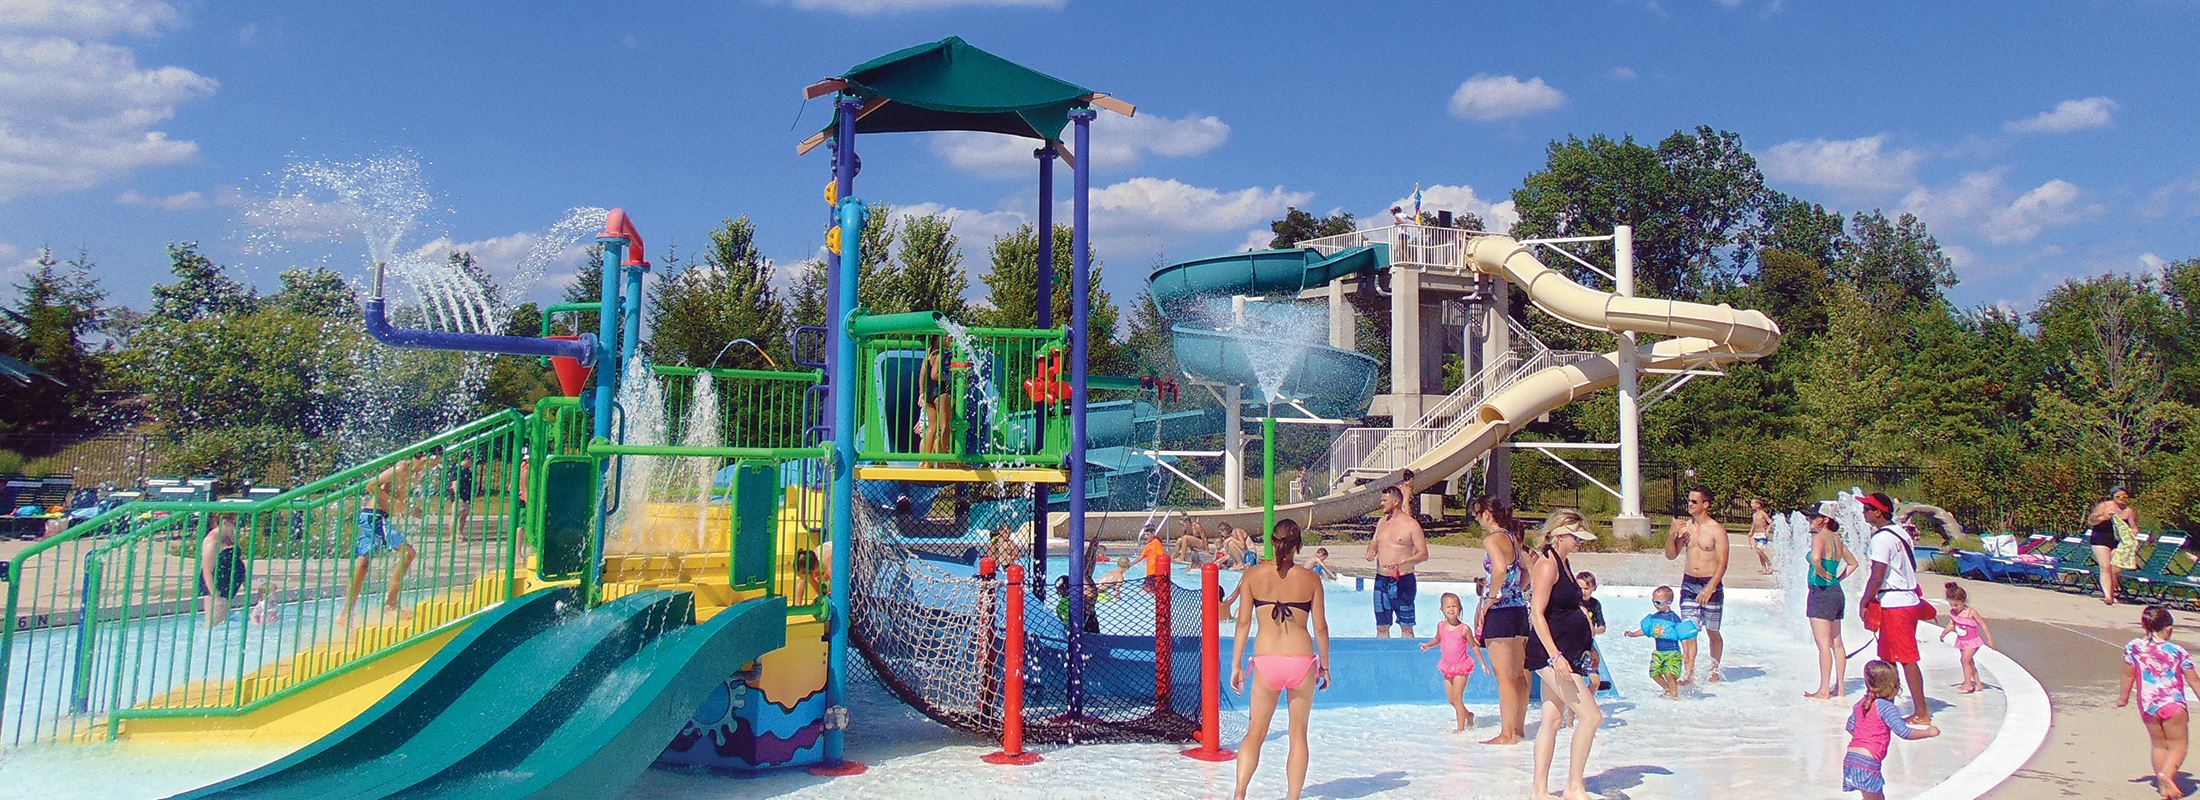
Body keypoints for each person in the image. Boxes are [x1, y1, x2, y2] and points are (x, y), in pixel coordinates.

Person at [1230, 519, 1330, 800]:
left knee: (1255, 733)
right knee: (1298, 734)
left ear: (1272, 542)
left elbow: (1242, 624)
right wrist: (1325, 666)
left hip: (1266, 660)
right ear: (1298, 545)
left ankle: (1239, 793)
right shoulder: (1311, 579)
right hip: (1301, 661)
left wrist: (1236, 665)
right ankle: (1293, 797)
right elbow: (1320, 628)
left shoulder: (1252, 576)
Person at [1525, 517, 1602, 800]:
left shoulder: (1564, 563)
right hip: (1550, 655)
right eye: (1576, 537)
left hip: (1567, 651)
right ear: (1560, 535)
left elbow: (1570, 609)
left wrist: (1589, 643)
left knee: (1552, 720)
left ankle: (1540, 791)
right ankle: (1573, 786)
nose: (1580, 542)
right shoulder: (1547, 564)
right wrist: (1555, 655)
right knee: (1592, 716)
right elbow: (1537, 613)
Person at [1859, 491, 1934, 725]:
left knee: (1906, 658)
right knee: (1888, 657)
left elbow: (1877, 575)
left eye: (1867, 509)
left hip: (1896, 604)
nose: (1863, 512)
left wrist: (1864, 601)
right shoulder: (1900, 532)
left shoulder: (1880, 539)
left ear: (1878, 512)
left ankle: (1921, 712)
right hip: (1906, 600)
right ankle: (1886, 704)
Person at [346, 447, 434, 628]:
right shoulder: (402, 468)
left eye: (436, 463)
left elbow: (395, 501)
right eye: (430, 461)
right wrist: (401, 506)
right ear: (420, 457)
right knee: (408, 553)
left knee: (363, 565)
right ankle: (390, 604)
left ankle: (347, 613)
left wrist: (407, 511)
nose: (432, 466)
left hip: (377, 517)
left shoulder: (416, 475)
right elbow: (371, 486)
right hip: (373, 516)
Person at [2119, 605, 2199, 799]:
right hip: (2172, 704)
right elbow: (2193, 680)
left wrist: (2123, 698)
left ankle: (2164, 787)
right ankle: (2167, 774)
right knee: (2178, 745)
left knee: (2158, 745)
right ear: (2169, 628)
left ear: (2144, 625)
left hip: (2148, 705)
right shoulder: (2178, 651)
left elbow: (2128, 675)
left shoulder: (2134, 647)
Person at [1470, 494, 1531, 746]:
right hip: (1518, 610)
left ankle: (1506, 734)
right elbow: (1527, 570)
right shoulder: (1511, 537)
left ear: (1486, 514)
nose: (1477, 520)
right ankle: (1518, 728)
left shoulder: (1493, 539)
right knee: (1517, 674)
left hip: (1500, 613)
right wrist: (1515, 590)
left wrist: (1491, 597)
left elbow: (1499, 569)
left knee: (1503, 676)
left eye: (1476, 515)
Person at [1844, 660, 1942, 799]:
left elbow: (1850, 727)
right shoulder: (1886, 707)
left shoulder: (1860, 704)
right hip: (1868, 760)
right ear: (1894, 687)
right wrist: (1928, 732)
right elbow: (1904, 732)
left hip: (1851, 757)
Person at [1663, 486, 1730, 683]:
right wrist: (1671, 534)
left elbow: (1723, 563)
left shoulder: (1716, 530)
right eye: (1689, 501)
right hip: (1689, 583)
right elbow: (1670, 555)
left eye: (1694, 501)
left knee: (1712, 631)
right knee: (1688, 631)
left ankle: (1714, 671)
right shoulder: (1686, 528)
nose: (1689, 504)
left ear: (1705, 505)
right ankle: (1689, 674)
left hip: (1711, 583)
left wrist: (1710, 587)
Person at [1804, 501, 1860, 700]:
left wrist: (1820, 571)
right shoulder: (1837, 539)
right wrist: (1838, 578)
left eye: (1813, 517)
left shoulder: (1819, 537)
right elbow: (1854, 563)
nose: (1810, 520)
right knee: (1837, 642)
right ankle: (1841, 688)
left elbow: (1816, 559)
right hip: (1836, 592)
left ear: (1824, 519)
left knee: (1823, 644)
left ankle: (1824, 689)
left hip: (1821, 592)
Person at [1364, 485, 1429, 638]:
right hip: (1381, 579)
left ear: (1395, 501)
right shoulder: (1381, 522)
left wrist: (1403, 562)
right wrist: (1371, 549)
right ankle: (1382, 660)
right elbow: (1374, 541)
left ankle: (1407, 660)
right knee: (1381, 627)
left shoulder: (1410, 524)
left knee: (1406, 628)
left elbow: (1423, 554)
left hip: (1403, 580)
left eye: (1384, 500)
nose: (1381, 503)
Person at [1418, 592, 1478, 732]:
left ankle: (1460, 728)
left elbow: (1474, 645)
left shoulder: (1464, 628)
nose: (1451, 609)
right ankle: (1468, 715)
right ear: (1442, 610)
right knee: (1451, 700)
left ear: (1460, 608)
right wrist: (1428, 645)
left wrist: (1482, 663)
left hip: (1462, 667)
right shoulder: (1441, 626)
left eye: (1455, 606)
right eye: (1448, 607)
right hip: (1448, 667)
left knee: (1457, 698)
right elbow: (1438, 639)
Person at [1623, 585, 1695, 699]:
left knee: (1669, 674)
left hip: (1672, 653)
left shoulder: (1674, 618)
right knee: (1654, 673)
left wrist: (1686, 654)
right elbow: (1645, 630)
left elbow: (1683, 637)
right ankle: (1667, 688)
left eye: (1658, 602)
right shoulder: (1654, 618)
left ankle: (1674, 697)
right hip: (1659, 652)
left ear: (1669, 602)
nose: (1655, 605)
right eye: (1653, 602)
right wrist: (1633, 634)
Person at [1939, 582, 1996, 693]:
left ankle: (1968, 684)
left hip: (1972, 642)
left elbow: (1983, 624)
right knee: (1969, 662)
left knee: (1964, 661)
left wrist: (1990, 639)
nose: (1953, 608)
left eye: (1956, 605)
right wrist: (1944, 633)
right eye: (1951, 605)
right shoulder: (1953, 613)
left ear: (1963, 601)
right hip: (1962, 641)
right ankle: (1978, 683)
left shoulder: (1971, 613)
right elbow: (1951, 624)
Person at [2091, 486, 2142, 606]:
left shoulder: (2129, 511)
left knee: (2115, 568)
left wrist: (2133, 532)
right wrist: (2104, 517)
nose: (2121, 499)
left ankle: (2112, 590)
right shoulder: (2104, 506)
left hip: (2117, 540)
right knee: (2105, 566)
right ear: (2112, 496)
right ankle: (2108, 595)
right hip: (2100, 538)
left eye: (2124, 497)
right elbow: (2091, 520)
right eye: (2118, 496)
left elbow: (2133, 527)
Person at [198, 512, 248, 628]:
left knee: (223, 623)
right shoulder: (212, 541)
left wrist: (244, 581)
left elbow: (236, 559)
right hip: (216, 585)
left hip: (227, 585)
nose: (235, 526)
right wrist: (215, 595)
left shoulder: (229, 536)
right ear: (224, 522)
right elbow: (207, 571)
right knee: (214, 625)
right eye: (233, 522)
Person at [918, 340, 953, 459]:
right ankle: (943, 459)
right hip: (940, 392)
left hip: (929, 392)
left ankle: (925, 461)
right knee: (945, 426)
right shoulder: (940, 354)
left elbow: (923, 373)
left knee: (931, 427)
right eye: (948, 337)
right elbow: (935, 375)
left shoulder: (929, 352)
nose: (950, 339)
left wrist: (922, 392)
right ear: (939, 339)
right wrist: (951, 376)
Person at [449, 451, 476, 538]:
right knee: (456, 515)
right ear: (466, 459)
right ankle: (452, 534)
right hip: (459, 496)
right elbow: (455, 483)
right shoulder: (457, 469)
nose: (471, 462)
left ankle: (459, 533)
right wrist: (457, 496)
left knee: (463, 516)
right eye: (470, 460)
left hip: (467, 496)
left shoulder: (467, 470)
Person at [1138, 525, 1170, 593]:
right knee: (1146, 589)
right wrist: (1131, 564)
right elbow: (1140, 558)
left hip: (1155, 573)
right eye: (1145, 535)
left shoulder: (1156, 543)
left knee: (1149, 590)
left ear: (1153, 534)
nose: (1145, 537)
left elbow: (1162, 556)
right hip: (1149, 574)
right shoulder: (1147, 546)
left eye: (1148, 534)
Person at [1749, 497, 1775, 575]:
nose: (1751, 505)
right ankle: (1764, 567)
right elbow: (1754, 524)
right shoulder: (1754, 514)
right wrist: (1751, 532)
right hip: (1756, 534)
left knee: (1759, 550)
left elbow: (1770, 522)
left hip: (1762, 534)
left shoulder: (1762, 513)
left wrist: (1767, 530)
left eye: (1753, 503)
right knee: (1759, 553)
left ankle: (1769, 565)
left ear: (1758, 505)